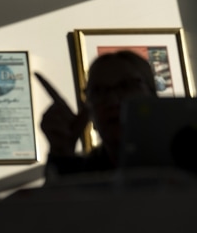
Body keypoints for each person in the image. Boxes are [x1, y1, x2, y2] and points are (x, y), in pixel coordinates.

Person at [36, 50, 158, 183]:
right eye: (98, 91)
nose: (112, 101)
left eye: (127, 86)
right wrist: (61, 154)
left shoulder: (181, 160)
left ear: (152, 95)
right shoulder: (82, 176)